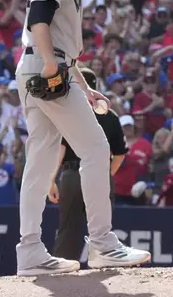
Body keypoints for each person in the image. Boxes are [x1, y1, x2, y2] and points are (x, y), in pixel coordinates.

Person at [15, 0, 150, 276]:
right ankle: (104, 244)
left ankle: (29, 251)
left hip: (46, 64)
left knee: (40, 161)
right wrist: (49, 63)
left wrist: (85, 86)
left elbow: (57, 36)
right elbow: (39, 17)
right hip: (47, 67)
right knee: (95, 147)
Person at [47, 68, 128, 260]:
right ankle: (105, 258)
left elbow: (61, 149)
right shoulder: (110, 116)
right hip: (99, 173)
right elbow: (119, 154)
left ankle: (64, 272)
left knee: (68, 227)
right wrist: (105, 175)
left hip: (72, 174)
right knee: (102, 225)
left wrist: (50, 180)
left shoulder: (71, 112)